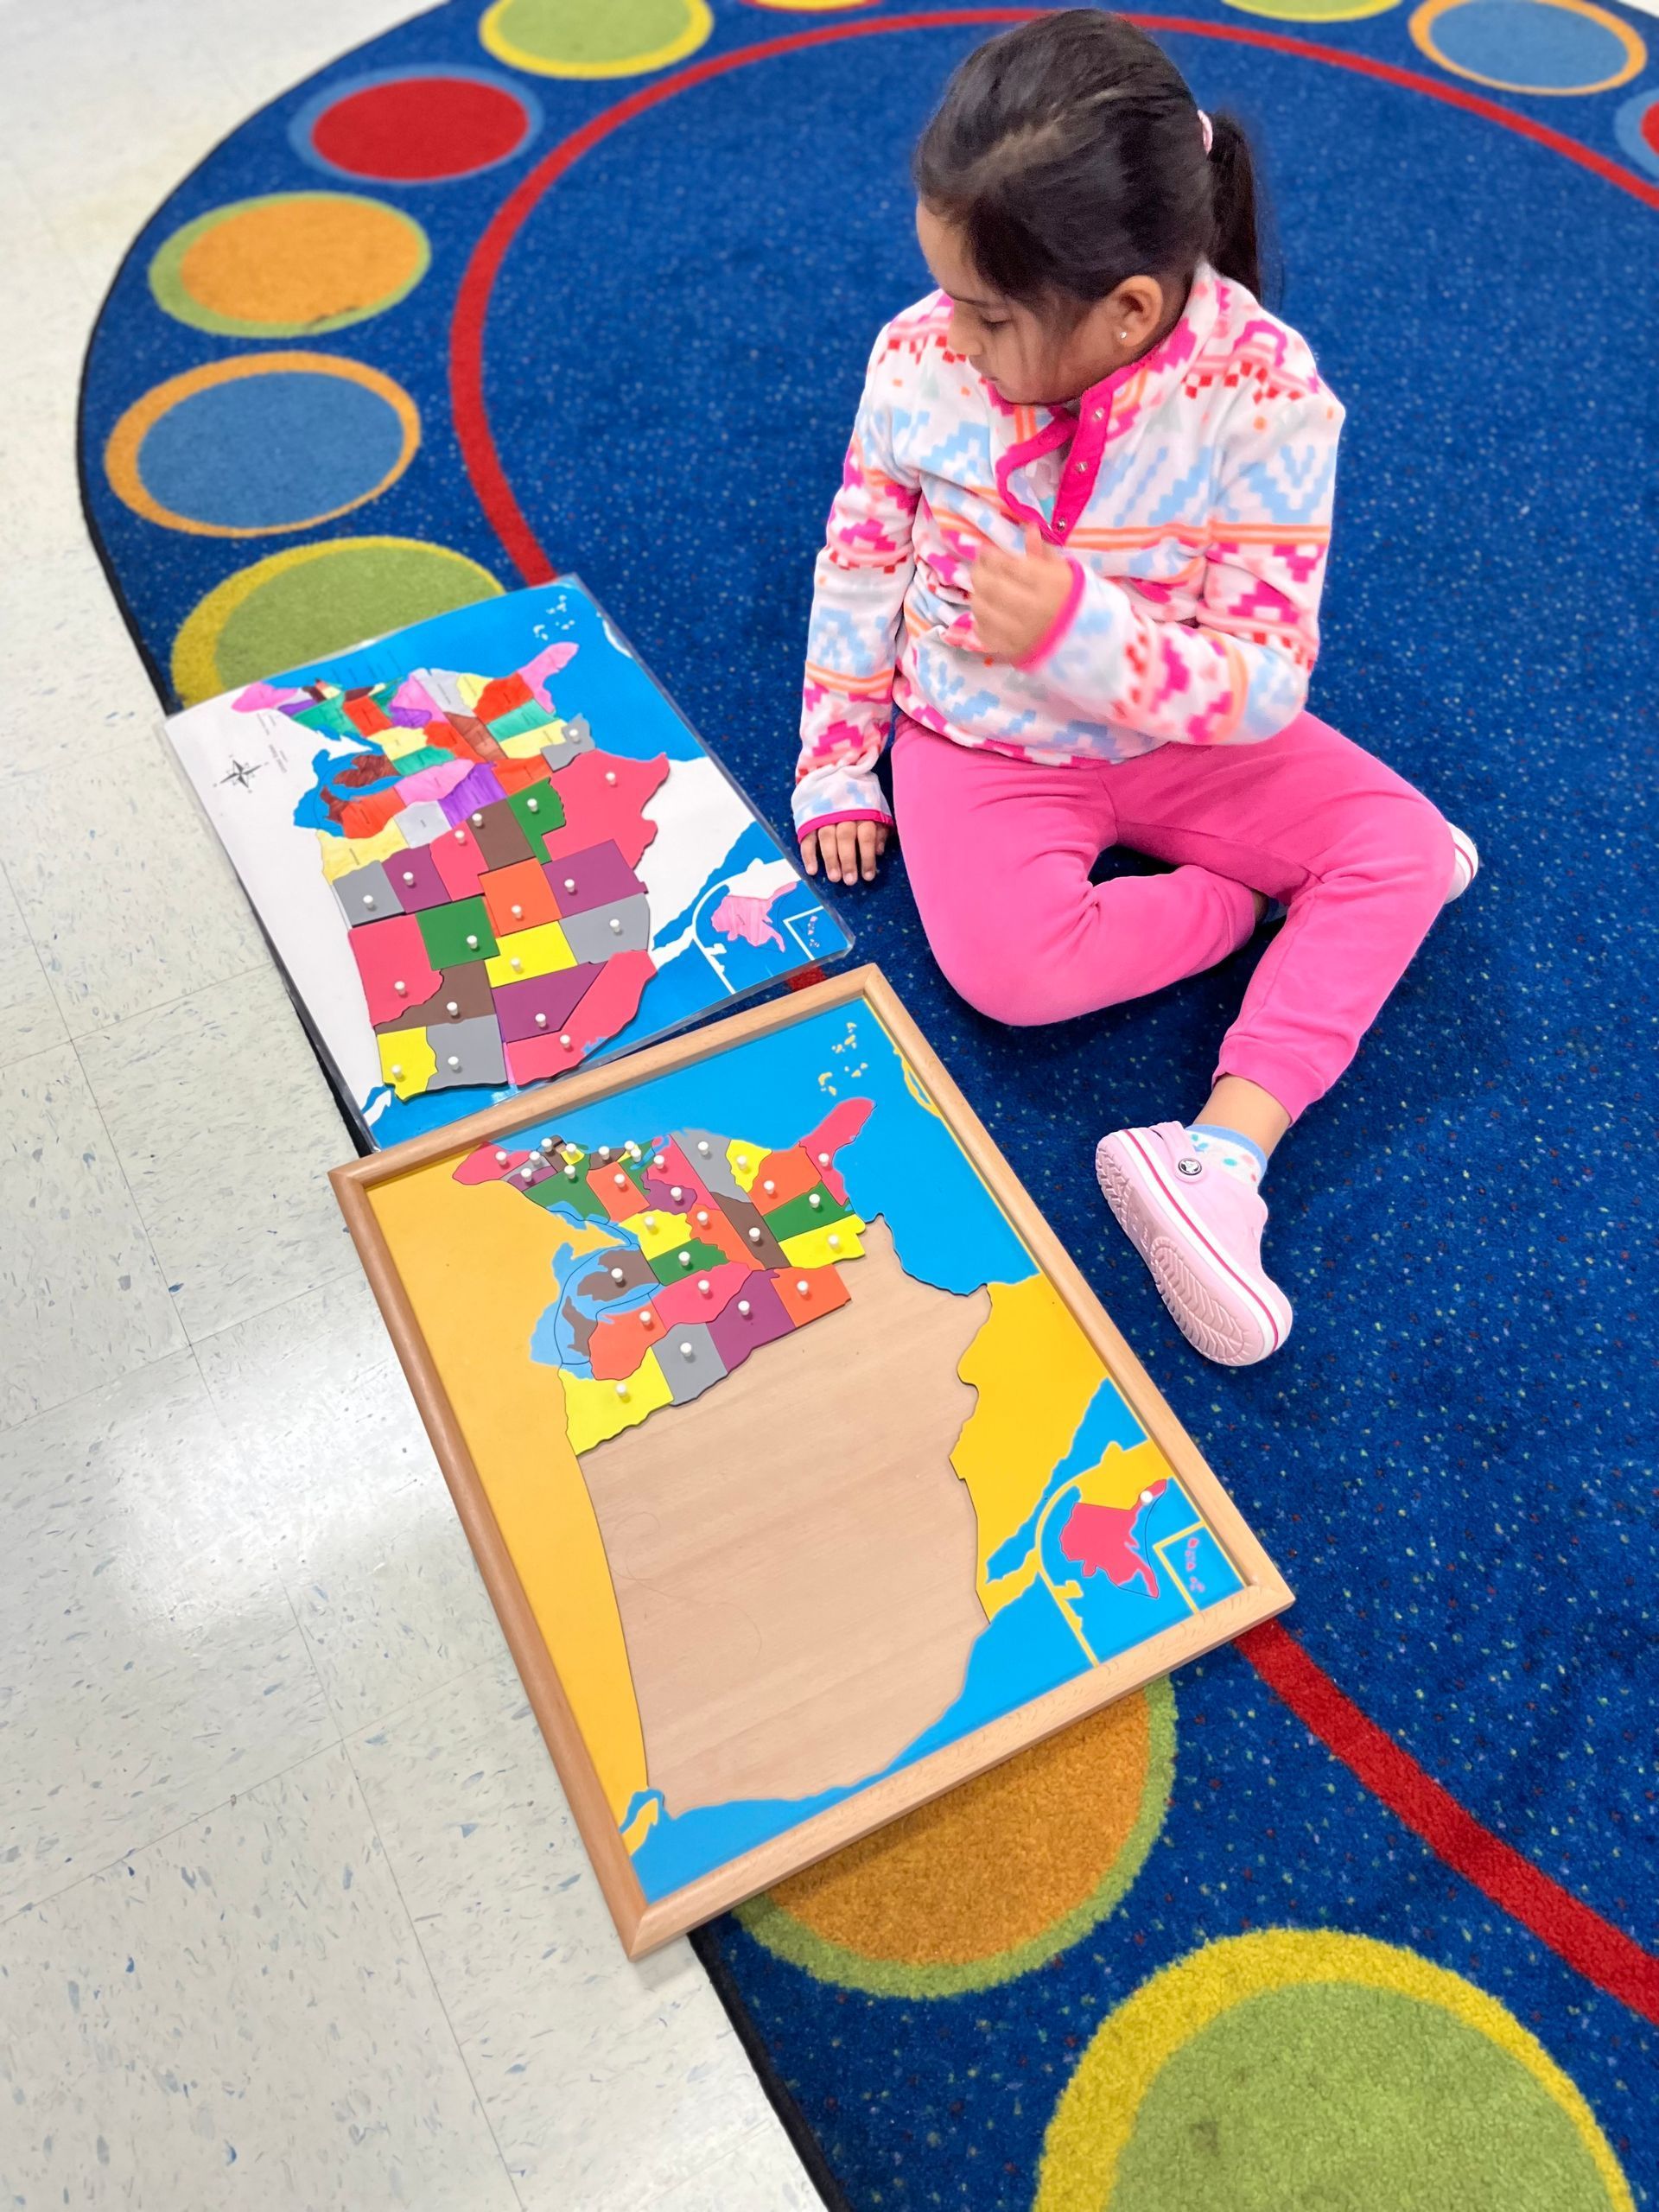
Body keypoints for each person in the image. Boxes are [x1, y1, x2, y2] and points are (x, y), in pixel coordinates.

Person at [792, 8, 1477, 1367]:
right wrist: (835, 756)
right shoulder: (918, 360)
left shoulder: (1268, 397)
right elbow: (861, 558)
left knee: (1409, 850)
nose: (956, 337)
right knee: (1009, 974)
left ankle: (1222, 1158)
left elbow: (1266, 683)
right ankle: (1263, 901)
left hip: (1182, 730)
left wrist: (1076, 636)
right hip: (977, 738)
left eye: (989, 315)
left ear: (1130, 310)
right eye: (948, 296)